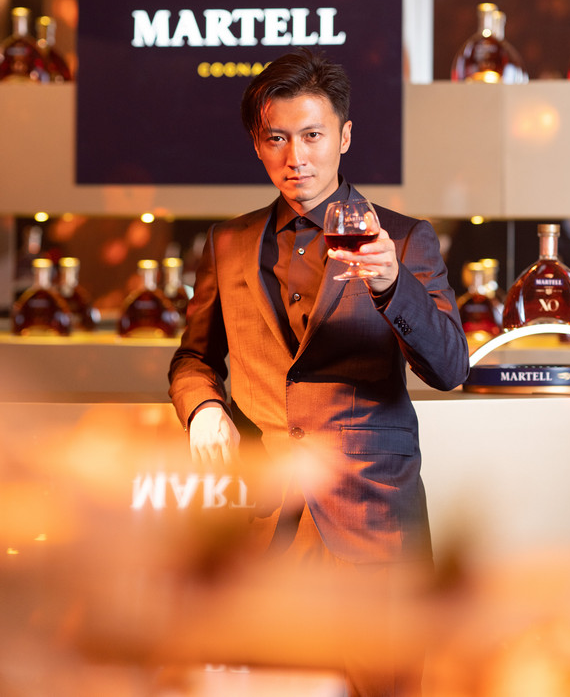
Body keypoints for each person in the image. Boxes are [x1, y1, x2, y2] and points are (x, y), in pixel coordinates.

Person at [168, 49, 470, 696]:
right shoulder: (228, 243)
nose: (295, 157)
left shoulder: (403, 238)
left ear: (344, 137)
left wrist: (391, 285)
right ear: (258, 145)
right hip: (265, 523)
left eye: (312, 136)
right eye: (276, 138)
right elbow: (194, 358)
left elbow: (450, 366)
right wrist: (204, 408)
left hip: (375, 520)